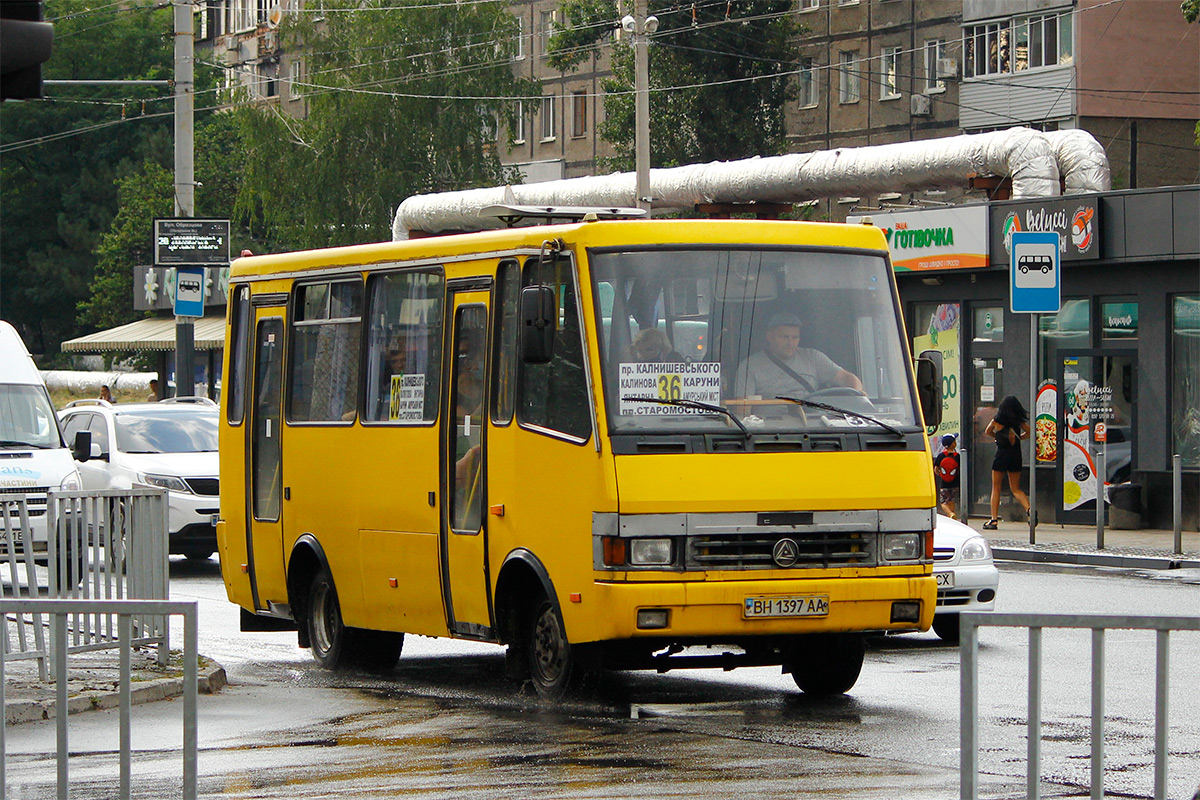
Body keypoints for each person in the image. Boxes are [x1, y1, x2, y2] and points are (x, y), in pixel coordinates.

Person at [733, 312, 863, 400]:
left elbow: (847, 378)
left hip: (811, 427)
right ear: (769, 337)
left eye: (795, 337)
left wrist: (858, 395)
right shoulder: (749, 367)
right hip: (768, 431)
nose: (790, 343)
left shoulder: (813, 358)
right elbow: (742, 411)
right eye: (784, 337)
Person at [982, 395, 1031, 530]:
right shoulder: (1018, 422)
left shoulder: (998, 420)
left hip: (1001, 455)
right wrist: (1020, 438)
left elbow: (988, 431)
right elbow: (1029, 431)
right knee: (1015, 488)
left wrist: (997, 437)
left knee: (996, 487)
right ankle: (1029, 510)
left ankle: (993, 520)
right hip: (1016, 455)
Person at [933, 433, 961, 520]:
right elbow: (960, 468)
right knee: (951, 500)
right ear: (953, 444)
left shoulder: (941, 456)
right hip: (955, 483)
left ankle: (950, 513)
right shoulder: (957, 456)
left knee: (943, 502)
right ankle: (952, 515)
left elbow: (936, 469)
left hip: (944, 483)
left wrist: (941, 475)